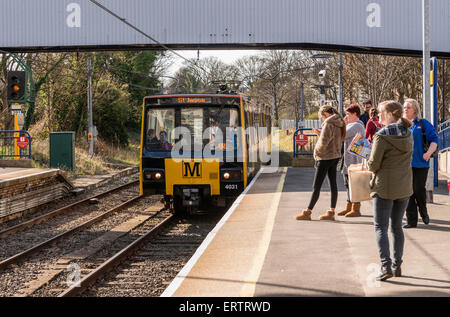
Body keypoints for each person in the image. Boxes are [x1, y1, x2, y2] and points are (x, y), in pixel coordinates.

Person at [367, 100, 413, 281]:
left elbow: (373, 165)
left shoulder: (381, 136)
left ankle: (385, 266)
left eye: (380, 113)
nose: (378, 116)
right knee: (397, 227)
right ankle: (397, 265)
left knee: (380, 227)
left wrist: (367, 156)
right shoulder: (408, 133)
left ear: (389, 114)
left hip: (384, 187)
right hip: (404, 187)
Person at [295, 105, 346, 221]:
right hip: (335, 156)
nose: (322, 119)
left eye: (322, 116)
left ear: (326, 114)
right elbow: (334, 139)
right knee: (333, 184)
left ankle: (308, 212)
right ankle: (331, 211)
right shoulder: (339, 122)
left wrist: (316, 152)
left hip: (324, 158)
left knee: (316, 186)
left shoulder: (328, 123)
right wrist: (320, 133)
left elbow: (323, 143)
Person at [402, 98, 439, 228]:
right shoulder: (401, 124)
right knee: (408, 192)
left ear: (415, 110)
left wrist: (428, 153)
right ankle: (411, 221)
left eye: (408, 108)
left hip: (421, 163)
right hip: (405, 165)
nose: (405, 109)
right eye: (404, 107)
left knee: (418, 189)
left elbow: (434, 140)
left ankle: (423, 211)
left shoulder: (423, 124)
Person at [337, 104, 366, 217]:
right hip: (348, 158)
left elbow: (341, 135)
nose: (346, 116)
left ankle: (356, 208)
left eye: (348, 114)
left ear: (355, 114)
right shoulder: (352, 125)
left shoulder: (357, 126)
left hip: (354, 160)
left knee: (353, 184)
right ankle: (349, 206)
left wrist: (343, 124)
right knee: (347, 183)